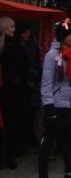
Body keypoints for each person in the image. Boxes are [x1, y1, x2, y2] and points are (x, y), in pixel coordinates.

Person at [38, 18, 71, 178]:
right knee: (47, 148)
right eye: (69, 34)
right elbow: (47, 83)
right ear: (62, 37)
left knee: (68, 146)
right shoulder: (52, 56)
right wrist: (48, 106)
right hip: (56, 107)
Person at [0, 16, 30, 169]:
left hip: (13, 92)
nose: (13, 29)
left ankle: (9, 156)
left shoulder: (15, 45)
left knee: (11, 125)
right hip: (7, 91)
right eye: (10, 27)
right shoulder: (8, 46)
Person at [16, 22, 44, 147]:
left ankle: (36, 141)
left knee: (37, 114)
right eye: (25, 32)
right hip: (28, 84)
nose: (27, 34)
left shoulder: (32, 46)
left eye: (28, 32)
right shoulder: (20, 47)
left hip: (34, 83)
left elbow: (34, 64)